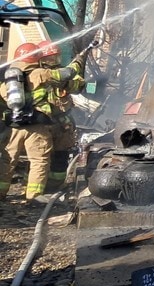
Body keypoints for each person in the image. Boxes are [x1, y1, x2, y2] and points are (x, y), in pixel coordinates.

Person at [1, 40, 89, 203]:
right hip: (37, 126)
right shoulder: (41, 73)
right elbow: (67, 74)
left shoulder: (10, 77)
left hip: (14, 126)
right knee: (39, 160)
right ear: (37, 57)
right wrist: (79, 60)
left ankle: (1, 192)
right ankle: (33, 197)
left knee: (8, 159)